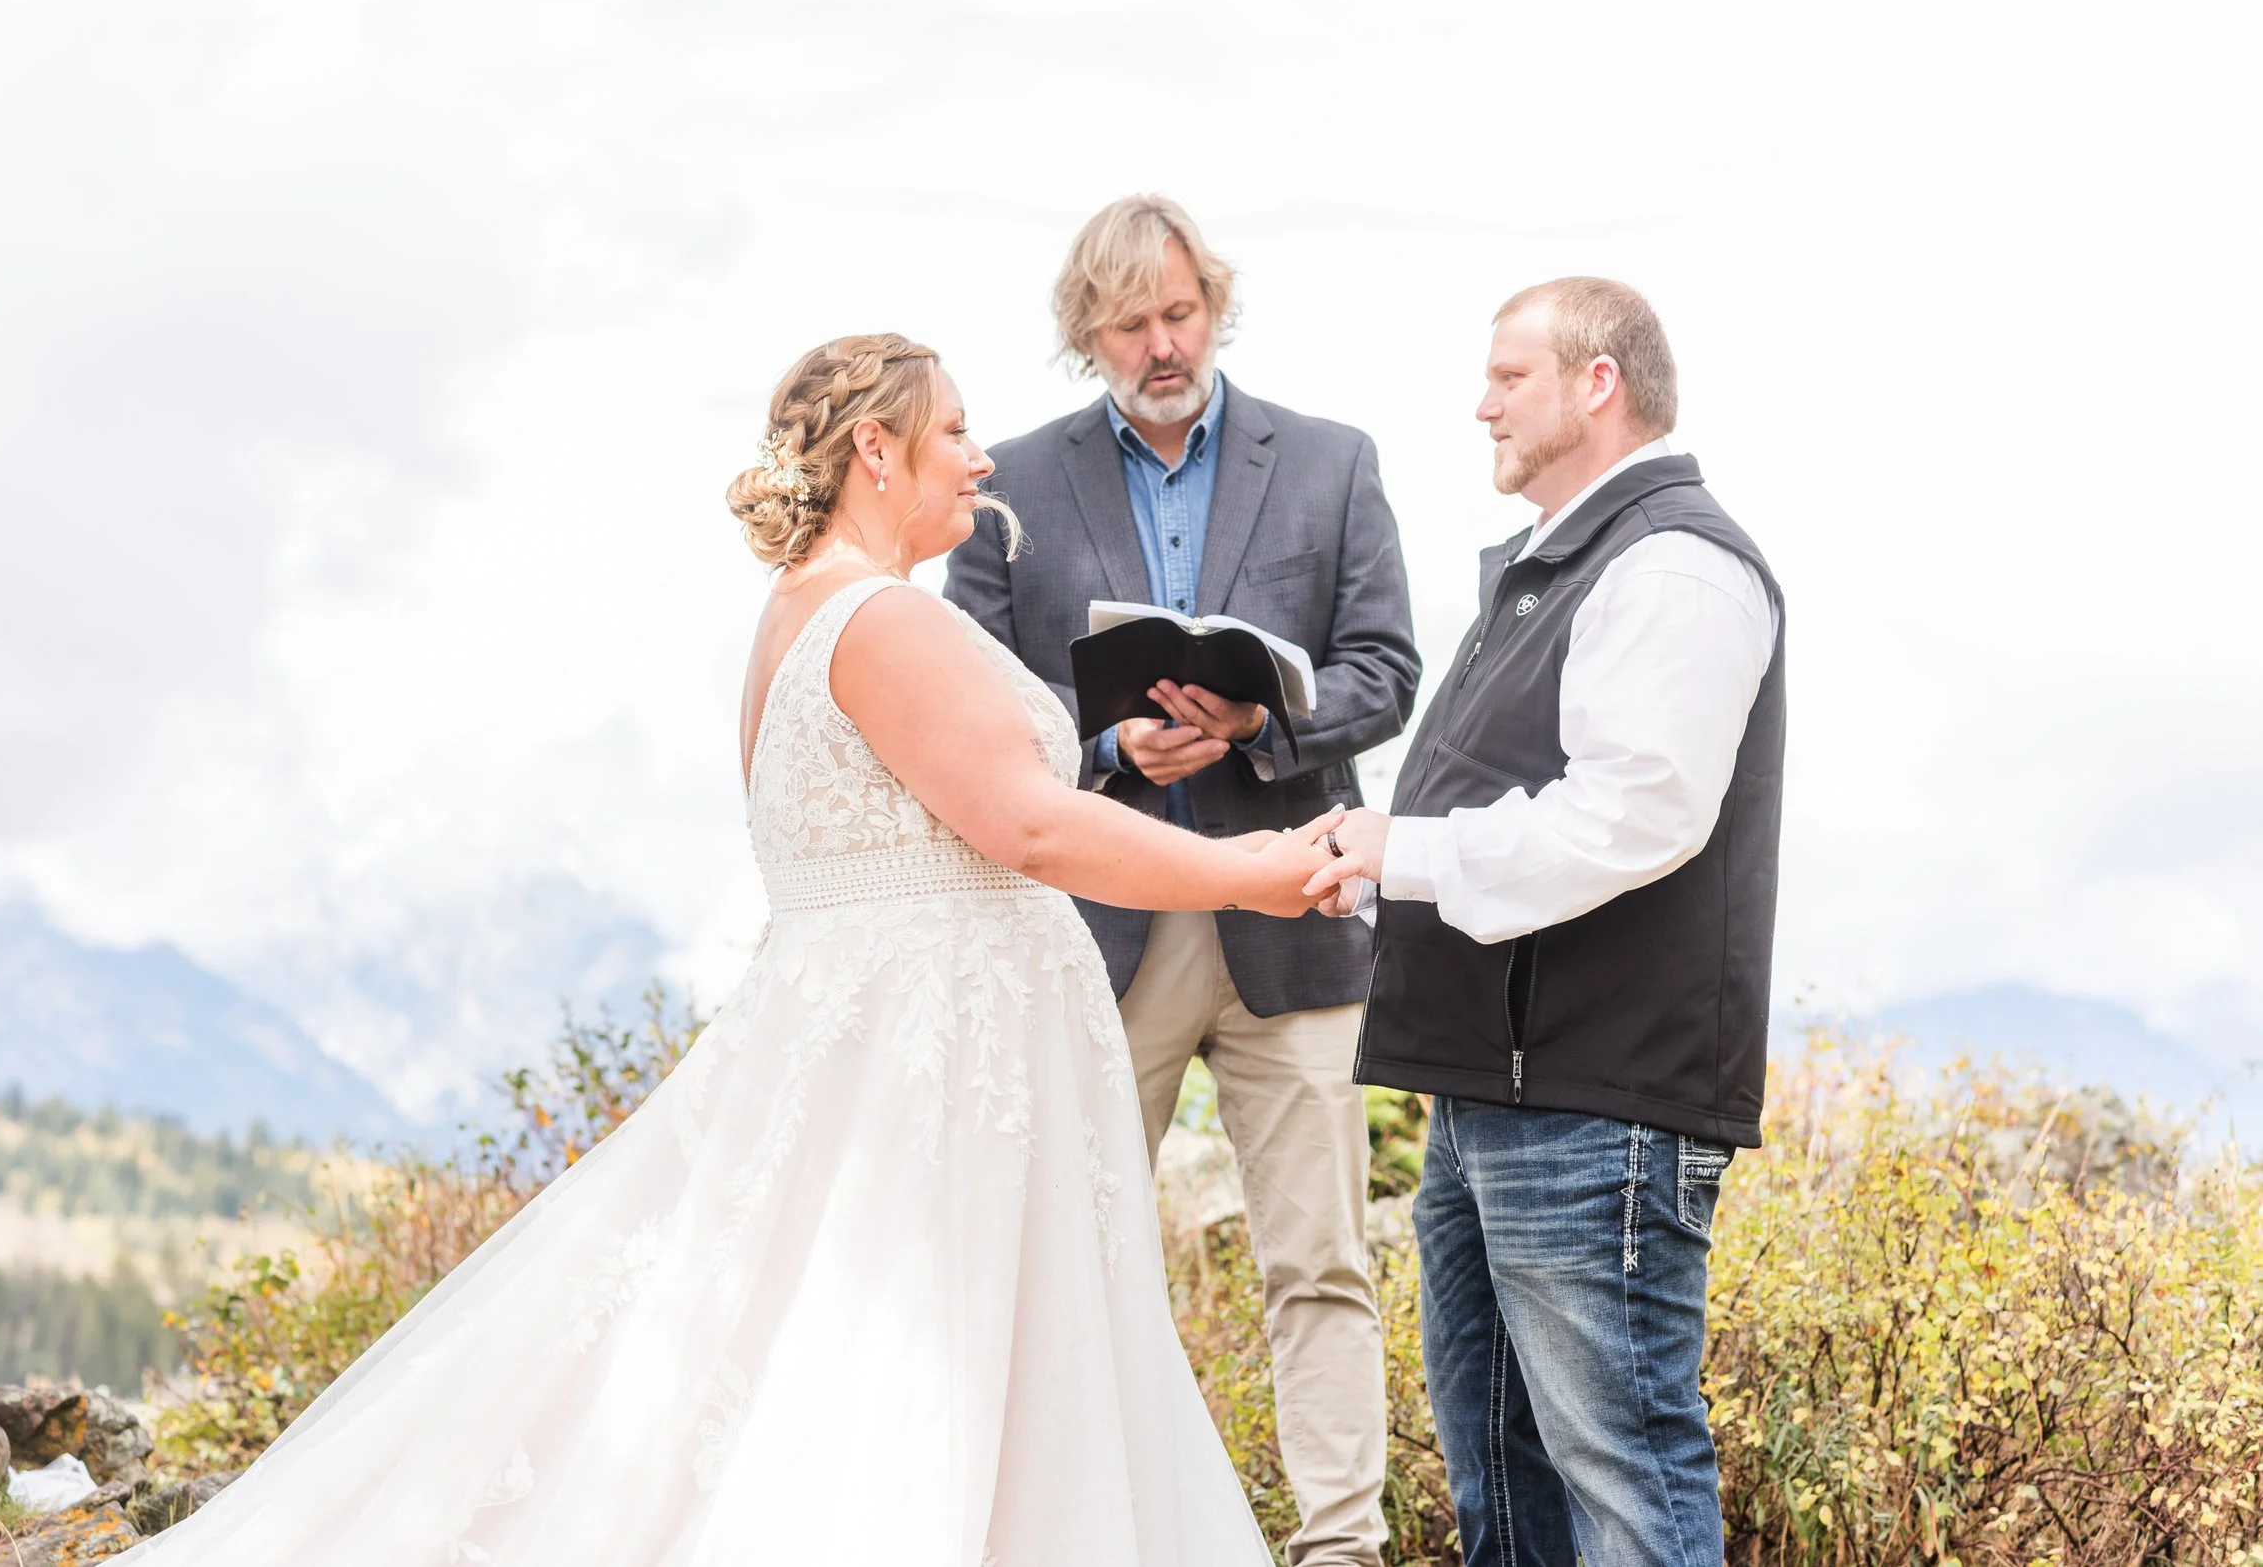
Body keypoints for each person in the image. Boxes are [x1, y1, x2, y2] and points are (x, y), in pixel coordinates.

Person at [124, 333, 1340, 1567]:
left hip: (884, 1033)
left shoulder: (800, 616)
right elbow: (1026, 824)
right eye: (957, 432)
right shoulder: (883, 621)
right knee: (915, 1359)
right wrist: (1255, 874)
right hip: (932, 1061)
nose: (983, 461)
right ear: (877, 447)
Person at [947, 195, 1419, 1567]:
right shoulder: (1013, 487)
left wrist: (1266, 720)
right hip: (1100, 932)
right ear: (1084, 334)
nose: (1163, 344)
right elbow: (972, 691)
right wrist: (1105, 738)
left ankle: (1343, 1548)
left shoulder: (1331, 463)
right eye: (1131, 323)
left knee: (1323, 1265)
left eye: (1181, 312)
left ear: (1213, 303)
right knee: (1070, 1270)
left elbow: (1385, 667)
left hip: (1295, 917)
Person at [1306, 278, 1784, 1567]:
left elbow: (1633, 817)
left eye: (1507, 376)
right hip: (1495, 1097)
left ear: (1595, 383)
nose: (1482, 404)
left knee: (1623, 1476)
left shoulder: (1674, 565)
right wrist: (1372, 863)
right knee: (1504, 1493)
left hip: (1592, 1105)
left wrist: (1402, 849)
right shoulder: (1559, 565)